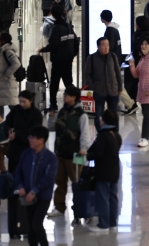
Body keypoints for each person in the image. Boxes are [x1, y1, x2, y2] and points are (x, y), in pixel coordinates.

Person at [46, 86, 91, 219]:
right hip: (60, 153)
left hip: (76, 154)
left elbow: (85, 134)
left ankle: (82, 207)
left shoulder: (81, 115)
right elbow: (52, 128)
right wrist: (51, 118)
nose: (64, 97)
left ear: (74, 97)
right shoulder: (62, 111)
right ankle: (59, 207)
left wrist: (84, 148)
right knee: (59, 181)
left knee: (78, 182)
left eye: (66, 95)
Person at [13, 126, 58, 246]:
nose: (30, 140)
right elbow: (18, 171)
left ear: (41, 140)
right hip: (27, 194)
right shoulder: (26, 154)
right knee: (30, 226)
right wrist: (20, 186)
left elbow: (48, 178)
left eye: (33, 138)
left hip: (43, 197)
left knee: (36, 224)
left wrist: (34, 191)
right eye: (30, 137)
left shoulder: (50, 158)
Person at [85, 109, 122, 233]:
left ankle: (103, 224)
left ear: (105, 121)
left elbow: (98, 154)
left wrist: (88, 155)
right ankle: (112, 222)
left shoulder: (103, 136)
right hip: (114, 170)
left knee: (103, 197)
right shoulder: (116, 135)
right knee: (113, 197)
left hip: (103, 171)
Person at [39, 4, 77, 111]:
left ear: (53, 14)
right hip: (68, 59)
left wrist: (42, 49)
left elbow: (53, 45)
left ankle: (53, 105)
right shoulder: (69, 26)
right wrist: (73, 53)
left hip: (58, 60)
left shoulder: (56, 28)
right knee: (68, 82)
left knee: (54, 84)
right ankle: (74, 102)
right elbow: (76, 41)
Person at [128, 37, 149, 147]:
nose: (144, 46)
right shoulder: (143, 58)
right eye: (142, 44)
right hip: (142, 91)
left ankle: (145, 137)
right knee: (147, 114)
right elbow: (136, 75)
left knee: (146, 115)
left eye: (146, 44)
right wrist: (132, 64)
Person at [83, 37, 122, 130]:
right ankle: (100, 133)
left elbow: (117, 72)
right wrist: (93, 87)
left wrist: (120, 88)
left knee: (114, 115)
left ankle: (114, 134)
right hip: (99, 91)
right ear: (98, 46)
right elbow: (87, 74)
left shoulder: (113, 56)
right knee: (98, 115)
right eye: (103, 45)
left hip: (113, 90)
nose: (106, 47)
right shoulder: (91, 58)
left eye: (107, 45)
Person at [5, 90, 44, 173]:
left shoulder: (36, 114)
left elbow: (34, 131)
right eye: (20, 102)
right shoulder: (16, 110)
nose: (22, 104)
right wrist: (9, 131)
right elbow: (8, 122)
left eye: (24, 102)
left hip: (28, 149)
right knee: (12, 175)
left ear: (31, 100)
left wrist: (17, 135)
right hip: (14, 150)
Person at [0, 32, 20, 108]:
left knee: (12, 106)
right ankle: (0, 120)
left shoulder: (7, 51)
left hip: (7, 84)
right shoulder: (0, 51)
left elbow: (16, 63)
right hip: (1, 84)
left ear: (3, 41)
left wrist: (7, 74)